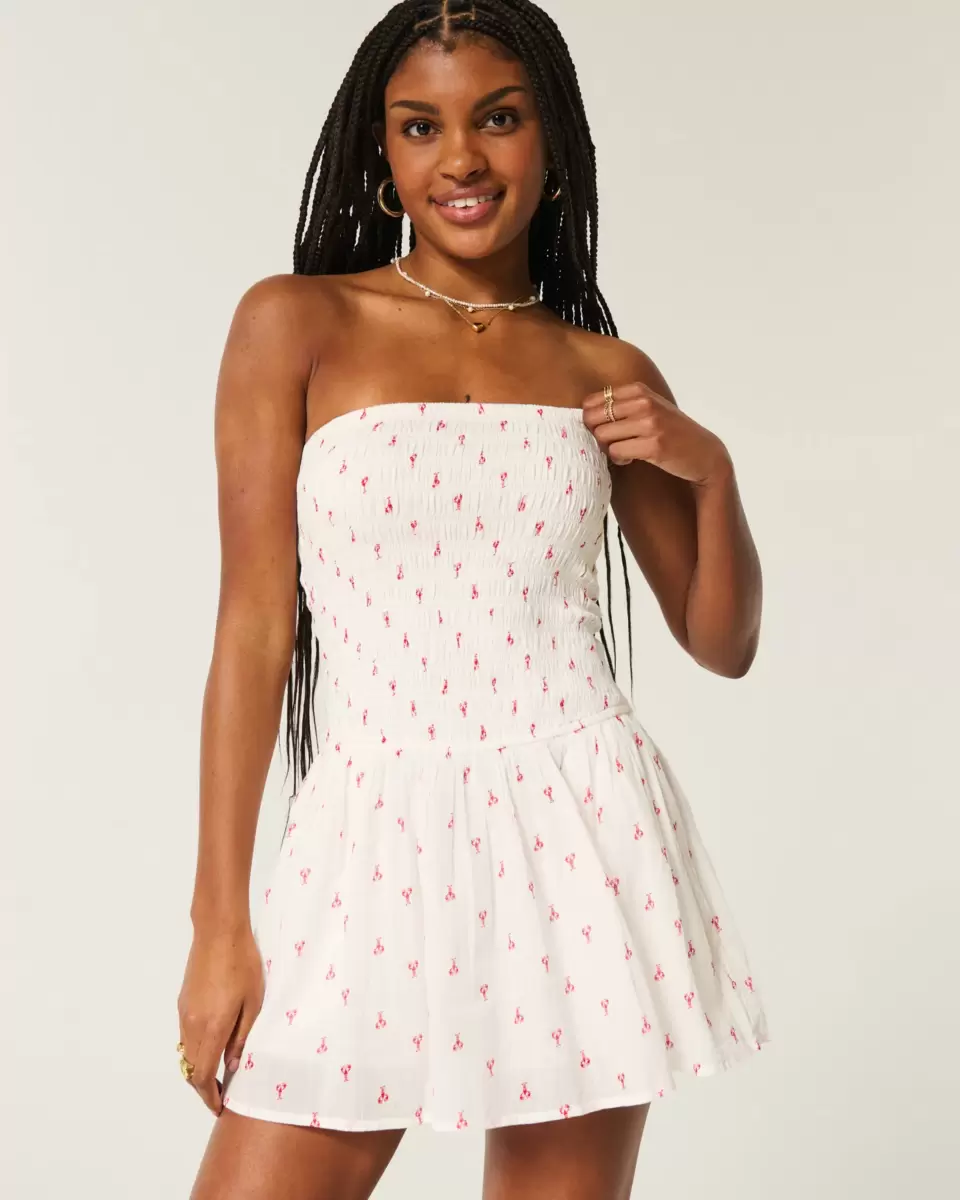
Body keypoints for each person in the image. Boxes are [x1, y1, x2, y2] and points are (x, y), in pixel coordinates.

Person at [178, 2, 771, 1196]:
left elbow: (724, 641)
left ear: (552, 141)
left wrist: (711, 469)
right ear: (382, 150)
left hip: (581, 835)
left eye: (497, 119)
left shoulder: (603, 373)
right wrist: (219, 925)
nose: (461, 159)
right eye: (421, 126)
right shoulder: (295, 325)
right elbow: (253, 628)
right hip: (367, 840)